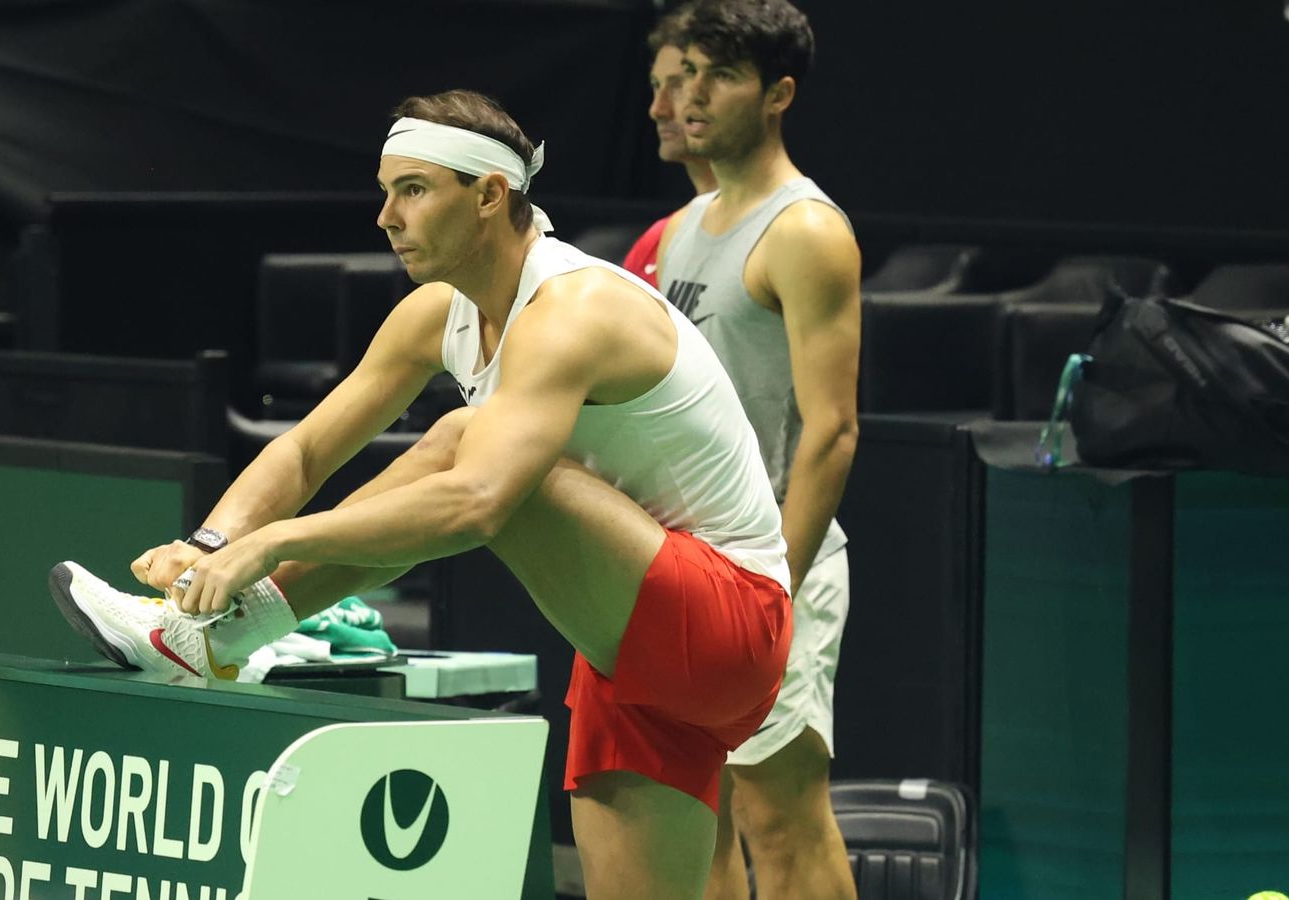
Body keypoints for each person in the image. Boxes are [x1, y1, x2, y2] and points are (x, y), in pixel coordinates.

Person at [48, 89, 794, 900]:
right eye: (385, 192)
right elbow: (304, 450)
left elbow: (479, 502)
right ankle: (200, 628)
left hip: (728, 618)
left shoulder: (572, 310)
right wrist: (209, 546)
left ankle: (218, 635)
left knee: (464, 440)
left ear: (489, 195)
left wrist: (273, 545)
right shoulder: (440, 313)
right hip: (632, 654)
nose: (386, 217)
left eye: (413, 190)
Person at [630, 2, 865, 899]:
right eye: (685, 75)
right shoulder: (688, 225)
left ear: (778, 95)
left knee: (782, 819)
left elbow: (832, 429)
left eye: (719, 77)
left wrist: (775, 587)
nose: (690, 97)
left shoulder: (804, 231)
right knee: (701, 818)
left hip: (769, 566)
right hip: (684, 567)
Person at [620, 4, 715, 290]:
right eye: (656, 85)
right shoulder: (654, 241)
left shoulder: (786, 230)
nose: (657, 110)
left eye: (678, 86)